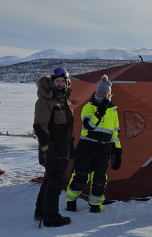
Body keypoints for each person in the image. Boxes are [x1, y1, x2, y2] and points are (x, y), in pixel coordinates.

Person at [65, 75, 122, 213]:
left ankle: (95, 204)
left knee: (100, 178)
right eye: (99, 92)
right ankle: (71, 200)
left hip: (104, 148)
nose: (101, 95)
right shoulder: (88, 107)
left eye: (104, 93)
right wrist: (99, 112)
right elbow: (89, 125)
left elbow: (115, 132)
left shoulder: (113, 111)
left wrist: (118, 151)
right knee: (80, 176)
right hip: (86, 147)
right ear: (96, 92)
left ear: (109, 94)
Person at [33, 68, 75, 227]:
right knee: (55, 183)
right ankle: (51, 216)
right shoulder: (45, 101)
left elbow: (67, 128)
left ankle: (40, 212)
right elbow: (39, 127)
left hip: (63, 150)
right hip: (53, 151)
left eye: (63, 81)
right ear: (52, 82)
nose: (60, 84)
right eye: (57, 81)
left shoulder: (64, 100)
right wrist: (48, 150)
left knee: (50, 180)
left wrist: (71, 146)